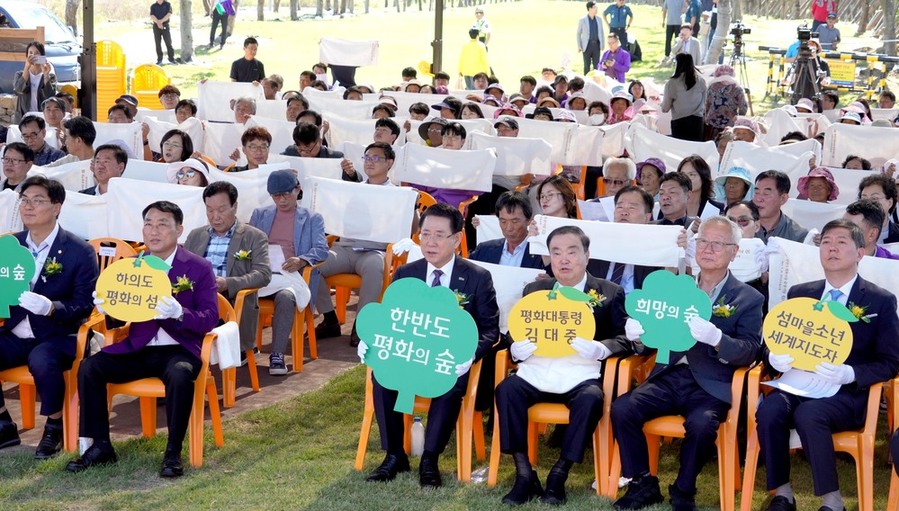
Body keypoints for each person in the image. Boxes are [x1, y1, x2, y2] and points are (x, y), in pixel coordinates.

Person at [612, 216, 764, 511]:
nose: (707, 248)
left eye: (717, 243)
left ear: (734, 252)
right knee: (622, 408)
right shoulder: (675, 289)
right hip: (669, 375)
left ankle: (683, 489)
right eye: (703, 241)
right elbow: (652, 338)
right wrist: (639, 337)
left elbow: (749, 351)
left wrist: (718, 338)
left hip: (711, 384)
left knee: (702, 424)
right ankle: (643, 483)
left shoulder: (749, 298)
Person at [756, 218, 899, 511]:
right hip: (797, 384)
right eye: (826, 242)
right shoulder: (800, 293)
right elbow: (774, 339)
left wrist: (850, 373)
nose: (831, 248)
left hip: (846, 394)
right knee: (769, 410)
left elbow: (891, 362)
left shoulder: (879, 300)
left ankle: (833, 502)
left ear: (860, 253)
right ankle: (783, 494)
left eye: (841, 242)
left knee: (811, 414)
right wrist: (772, 356)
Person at [69, 201, 218, 477]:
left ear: (179, 230)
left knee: (180, 374)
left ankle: (173, 452)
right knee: (90, 367)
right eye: (149, 223)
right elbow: (123, 316)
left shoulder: (198, 267)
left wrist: (179, 312)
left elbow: (210, 318)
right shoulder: (129, 267)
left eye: (163, 224)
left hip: (179, 348)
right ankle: (100, 445)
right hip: (138, 347)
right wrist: (107, 309)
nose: (154, 230)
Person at [359, 203, 499, 489]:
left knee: (450, 382)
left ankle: (430, 459)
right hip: (408, 357)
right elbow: (390, 319)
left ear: (457, 238)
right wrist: (369, 340)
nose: (430, 242)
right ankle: (395, 454)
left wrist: (469, 354)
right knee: (382, 377)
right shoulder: (406, 274)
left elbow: (490, 329)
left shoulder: (476, 277)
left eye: (439, 235)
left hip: (447, 360)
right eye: (425, 235)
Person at [495, 225, 629, 505]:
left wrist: (601, 348)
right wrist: (515, 346)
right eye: (556, 253)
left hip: (581, 373)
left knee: (591, 399)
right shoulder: (536, 288)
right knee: (507, 390)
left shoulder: (609, 291)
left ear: (587, 255)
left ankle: (559, 473)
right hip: (537, 369)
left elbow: (625, 339)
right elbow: (516, 330)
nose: (563, 259)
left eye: (571, 252)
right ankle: (524, 474)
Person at [0, 176, 98, 459]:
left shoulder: (80, 251)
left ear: (57, 207)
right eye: (24, 200)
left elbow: (83, 305)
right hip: (16, 331)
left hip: (59, 334)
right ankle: (4, 422)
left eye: (38, 200)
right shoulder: (10, 246)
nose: (28, 207)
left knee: (43, 359)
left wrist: (52, 308)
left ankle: (54, 426)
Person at [315, 142, 416, 347]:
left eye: (376, 158)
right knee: (312, 265)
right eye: (367, 157)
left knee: (375, 267)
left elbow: (412, 229)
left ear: (390, 162)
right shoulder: (352, 189)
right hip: (346, 248)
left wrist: (411, 207)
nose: (370, 162)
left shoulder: (398, 194)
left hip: (375, 251)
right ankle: (329, 318)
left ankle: (362, 324)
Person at [184, 181, 272, 364]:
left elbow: (263, 274)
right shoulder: (195, 235)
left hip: (230, 303)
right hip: (196, 300)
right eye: (209, 210)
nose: (215, 217)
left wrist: (228, 283)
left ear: (235, 207)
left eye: (222, 210)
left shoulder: (254, 236)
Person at [249, 170, 327, 373]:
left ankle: (277, 354)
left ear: (297, 190)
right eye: (276, 196)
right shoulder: (260, 215)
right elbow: (246, 243)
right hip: (263, 272)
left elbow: (321, 249)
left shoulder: (312, 218)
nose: (281, 200)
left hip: (291, 276)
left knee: (285, 298)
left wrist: (301, 260)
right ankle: (244, 348)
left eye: (286, 194)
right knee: (236, 290)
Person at [588, 186, 661, 294]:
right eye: (620, 207)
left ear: (647, 217)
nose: (624, 212)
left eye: (632, 208)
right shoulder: (597, 244)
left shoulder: (656, 249)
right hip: (599, 305)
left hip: (636, 307)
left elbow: (663, 287)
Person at [470, 191, 545, 270]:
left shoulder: (540, 254)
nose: (509, 228)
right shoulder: (484, 250)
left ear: (528, 221)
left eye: (515, 221)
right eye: (503, 221)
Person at [752, 170, 809, 243]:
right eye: (756, 193)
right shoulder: (741, 224)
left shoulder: (798, 235)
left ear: (783, 199)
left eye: (766, 193)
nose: (758, 199)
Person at [662, 53, 707, 142]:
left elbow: (665, 108)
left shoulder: (672, 83)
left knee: (680, 151)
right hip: (697, 122)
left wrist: (661, 105)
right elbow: (705, 101)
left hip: (680, 122)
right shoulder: (701, 81)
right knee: (696, 152)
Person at [14, 42, 57, 124]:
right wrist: (26, 67)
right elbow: (19, 90)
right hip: (23, 118)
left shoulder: (50, 76)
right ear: (26, 56)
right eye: (30, 53)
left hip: (42, 118)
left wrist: (46, 74)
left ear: (42, 56)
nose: (33, 56)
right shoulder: (19, 74)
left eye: (37, 53)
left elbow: (50, 96)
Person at [703, 64, 748, 141]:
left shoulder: (712, 86)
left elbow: (706, 104)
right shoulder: (737, 88)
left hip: (712, 122)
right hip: (729, 123)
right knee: (726, 146)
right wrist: (739, 118)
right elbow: (743, 107)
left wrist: (706, 116)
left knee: (711, 145)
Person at [857, 174, 899, 244]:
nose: (868, 203)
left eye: (874, 199)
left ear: (889, 203)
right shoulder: (851, 232)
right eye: (864, 199)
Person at [577, 1, 605, 74]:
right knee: (587, 66)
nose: (596, 9)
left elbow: (602, 32)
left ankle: (596, 82)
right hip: (587, 45)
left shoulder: (599, 19)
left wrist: (602, 44)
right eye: (595, 7)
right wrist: (579, 46)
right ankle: (586, 83)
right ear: (590, 8)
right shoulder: (582, 20)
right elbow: (578, 33)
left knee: (597, 66)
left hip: (596, 45)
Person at [150, 0, 177, 65]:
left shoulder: (167, 4)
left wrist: (161, 21)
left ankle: (171, 59)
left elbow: (169, 14)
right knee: (158, 43)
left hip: (165, 25)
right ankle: (159, 59)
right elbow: (152, 16)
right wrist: (158, 22)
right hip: (156, 26)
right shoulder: (153, 6)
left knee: (168, 42)